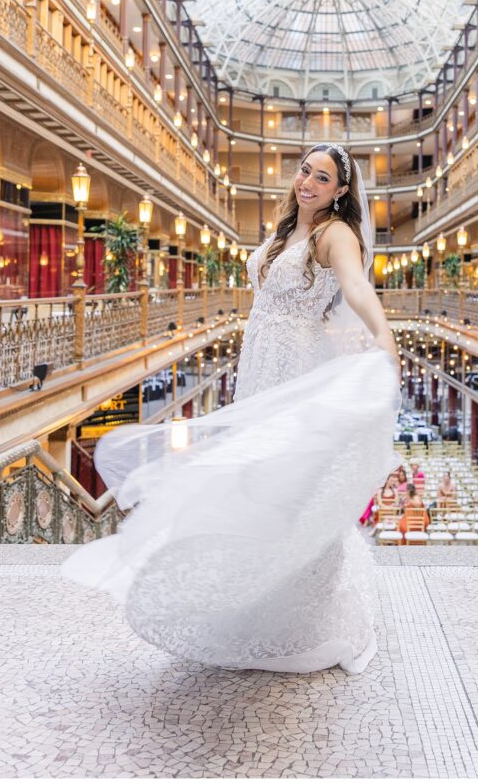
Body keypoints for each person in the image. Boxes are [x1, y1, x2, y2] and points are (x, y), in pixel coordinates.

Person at [62, 142, 402, 675]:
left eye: (322, 177)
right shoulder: (285, 230)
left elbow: (356, 286)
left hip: (296, 367)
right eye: (305, 170)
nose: (308, 182)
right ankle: (249, 597)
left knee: (286, 482)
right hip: (260, 369)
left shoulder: (333, 234)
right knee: (252, 479)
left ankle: (297, 616)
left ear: (340, 191)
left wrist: (382, 331)